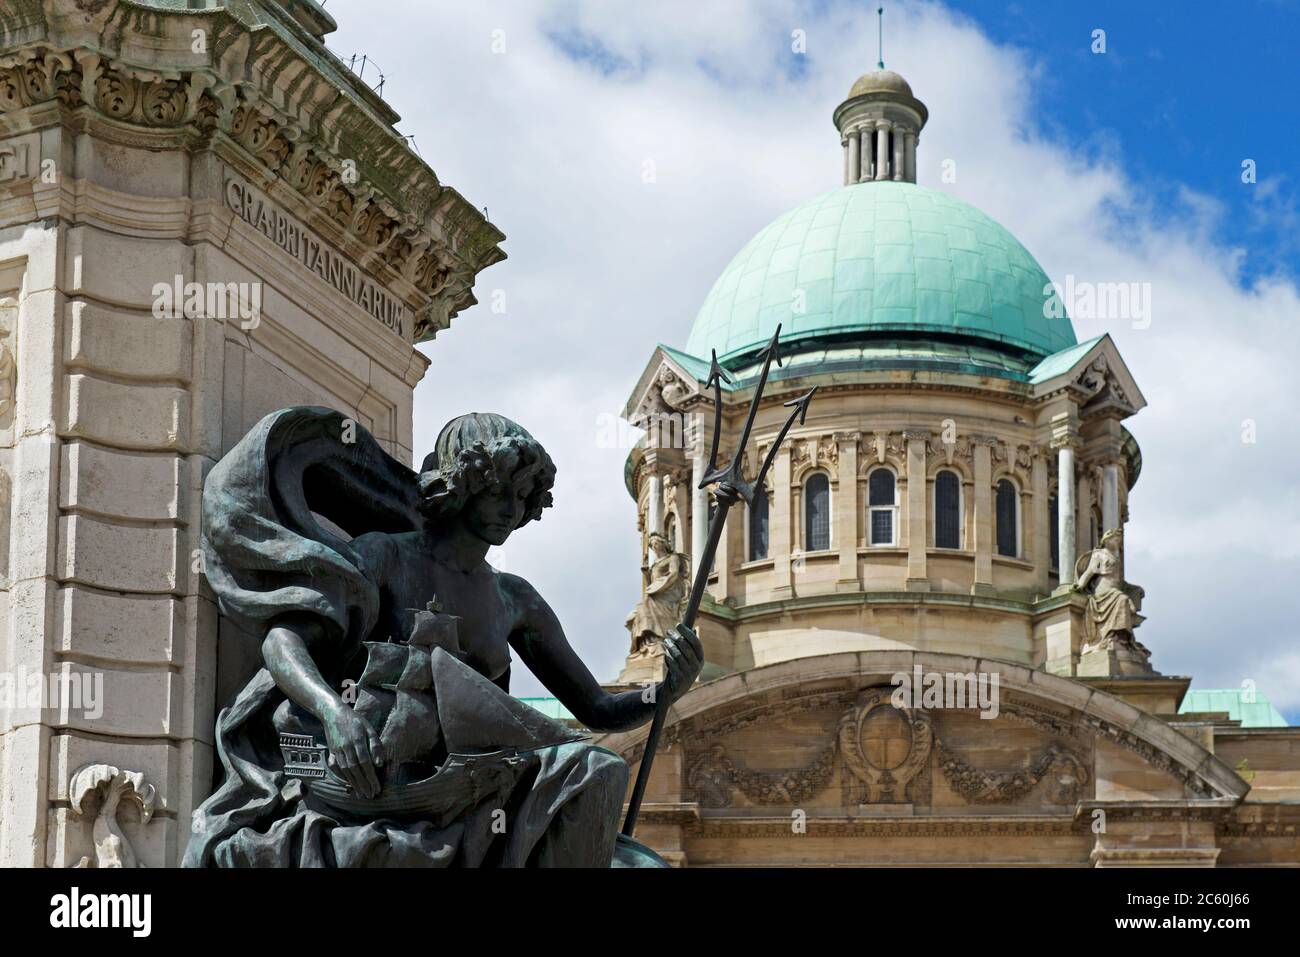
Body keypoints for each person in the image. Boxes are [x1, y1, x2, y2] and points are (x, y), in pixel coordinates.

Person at [185, 409, 703, 867]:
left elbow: (596, 709)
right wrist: (334, 714)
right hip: (366, 774)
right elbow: (284, 643)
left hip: (459, 778)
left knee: (597, 770)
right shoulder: (386, 555)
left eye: (522, 496)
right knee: (592, 771)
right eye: (498, 490)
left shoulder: (514, 599)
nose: (511, 508)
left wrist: (666, 689)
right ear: (461, 484)